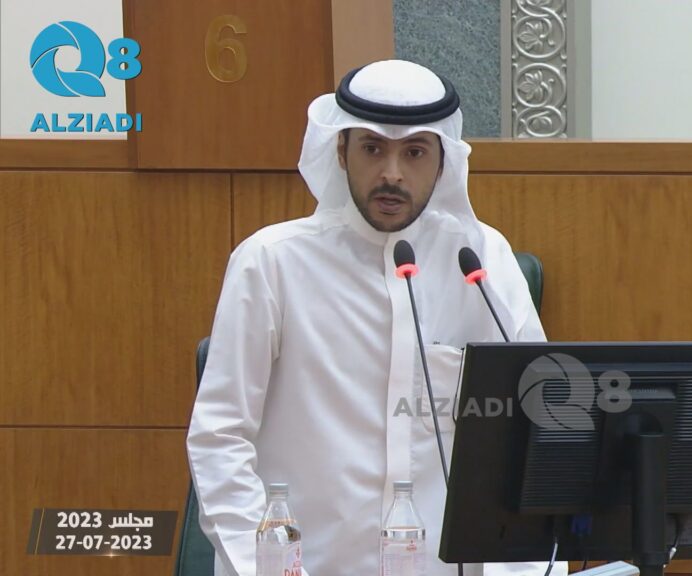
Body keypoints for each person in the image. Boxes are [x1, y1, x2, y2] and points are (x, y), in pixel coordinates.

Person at [186, 60, 564, 576]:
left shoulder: (481, 260)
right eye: (372, 149)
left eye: (414, 152)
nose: (392, 173)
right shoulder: (272, 262)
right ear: (341, 151)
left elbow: (532, 432)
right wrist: (268, 568)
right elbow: (220, 437)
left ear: (443, 161)